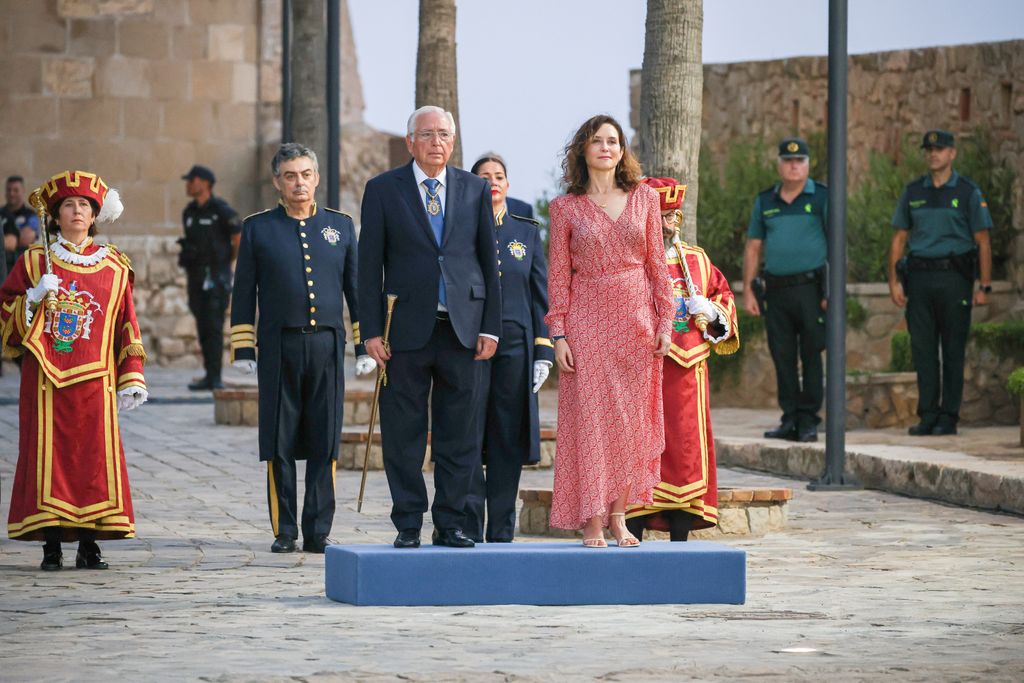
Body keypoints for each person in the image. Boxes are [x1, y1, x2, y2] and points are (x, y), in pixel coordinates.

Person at [359, 105, 501, 549]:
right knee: (403, 432)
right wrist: (369, 332)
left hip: (463, 328)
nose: (436, 142)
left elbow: (486, 262)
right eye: (427, 134)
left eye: (443, 134)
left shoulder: (474, 189)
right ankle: (407, 522)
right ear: (410, 142)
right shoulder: (383, 190)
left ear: (453, 141)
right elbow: (368, 267)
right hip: (404, 330)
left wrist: (491, 327)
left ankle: (452, 522)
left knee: (459, 434)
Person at [0, 170, 147, 570]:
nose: (77, 211)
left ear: (95, 214)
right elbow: (5, 317)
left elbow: (126, 325)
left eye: (84, 204)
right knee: (48, 460)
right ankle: (51, 545)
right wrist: (31, 297)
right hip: (46, 379)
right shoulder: (34, 261)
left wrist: (131, 375)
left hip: (95, 382)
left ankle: (88, 543)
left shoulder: (115, 267)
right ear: (55, 214)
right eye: (68, 204)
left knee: (90, 463)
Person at [230, 143, 372, 554]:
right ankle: (285, 529)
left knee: (324, 440)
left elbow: (356, 291)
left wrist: (363, 344)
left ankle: (318, 531)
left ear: (317, 178)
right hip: (279, 346)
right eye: (290, 175)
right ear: (277, 181)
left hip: (327, 345)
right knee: (280, 440)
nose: (299, 183)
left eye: (306, 174)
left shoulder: (341, 226)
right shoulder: (258, 227)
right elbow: (244, 294)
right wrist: (243, 349)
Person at [545, 114, 674, 548]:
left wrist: (665, 324)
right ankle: (592, 520)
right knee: (591, 422)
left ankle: (620, 517)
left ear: (623, 150)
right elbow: (558, 276)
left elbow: (659, 268)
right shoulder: (565, 208)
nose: (606, 148)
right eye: (597, 141)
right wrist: (558, 335)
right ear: (583, 149)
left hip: (636, 322)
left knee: (631, 423)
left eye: (614, 141)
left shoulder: (645, 200)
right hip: (586, 323)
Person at [625, 177, 739, 542]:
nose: (667, 223)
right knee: (639, 450)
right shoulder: (628, 258)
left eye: (672, 216)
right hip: (642, 368)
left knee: (685, 450)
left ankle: (680, 538)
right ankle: (631, 531)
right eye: (660, 216)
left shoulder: (698, 260)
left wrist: (713, 311)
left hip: (688, 371)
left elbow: (724, 302)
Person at [464, 152, 553, 543]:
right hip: (470, 344)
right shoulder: (459, 230)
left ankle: (500, 528)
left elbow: (540, 296)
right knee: (467, 432)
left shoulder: (526, 231)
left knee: (506, 436)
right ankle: (465, 524)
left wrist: (544, 350)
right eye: (484, 177)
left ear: (509, 184)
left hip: (517, 346)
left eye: (499, 175)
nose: (493, 182)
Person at [888, 129, 993, 436]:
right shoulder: (913, 192)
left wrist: (984, 286)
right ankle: (928, 415)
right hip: (919, 279)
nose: (934, 154)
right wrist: (894, 281)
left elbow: (983, 242)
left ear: (952, 154)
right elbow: (899, 239)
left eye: (940, 149)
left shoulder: (967, 192)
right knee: (922, 350)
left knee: (952, 349)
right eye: (929, 149)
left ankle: (949, 416)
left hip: (954, 278)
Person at [742, 137, 828, 443]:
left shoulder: (821, 197)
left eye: (800, 161)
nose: (794, 166)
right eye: (788, 161)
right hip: (775, 292)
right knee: (783, 356)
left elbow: (836, 245)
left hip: (811, 289)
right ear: (779, 164)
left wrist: (831, 292)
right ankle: (789, 417)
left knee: (812, 354)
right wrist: (749, 291)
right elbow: (753, 247)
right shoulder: (766, 201)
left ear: (807, 164)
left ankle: (808, 420)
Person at [179, 165, 241, 391]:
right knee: (202, 326)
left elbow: (238, 237)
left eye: (191, 180)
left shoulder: (221, 209)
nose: (188, 184)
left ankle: (215, 377)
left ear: (205, 183)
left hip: (217, 278)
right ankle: (208, 374)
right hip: (196, 277)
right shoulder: (190, 212)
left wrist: (226, 263)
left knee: (214, 327)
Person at [3, 175, 41, 273]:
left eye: (15, 190)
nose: (11, 193)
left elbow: (27, 238)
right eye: (9, 190)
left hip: (22, 266)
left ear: (23, 191)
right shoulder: (1, 213)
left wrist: (11, 239)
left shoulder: (30, 215)